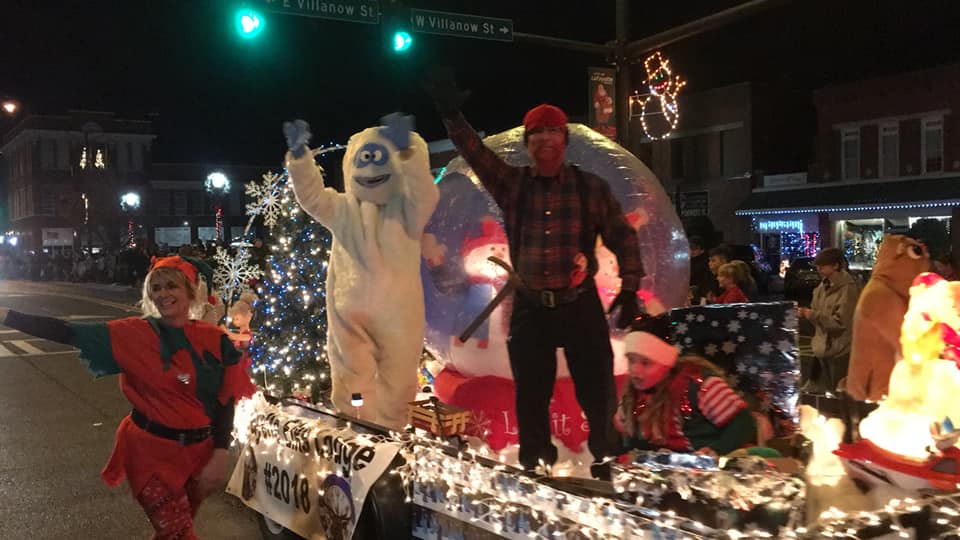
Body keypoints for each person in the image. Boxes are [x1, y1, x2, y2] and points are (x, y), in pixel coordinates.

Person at [425, 74, 644, 479]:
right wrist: (451, 115)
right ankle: (536, 465)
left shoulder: (589, 187)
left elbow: (621, 234)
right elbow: (475, 153)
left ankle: (608, 464)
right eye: (536, 133)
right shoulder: (513, 185)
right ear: (528, 143)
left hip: (579, 303)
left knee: (598, 392)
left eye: (552, 132)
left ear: (564, 139)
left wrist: (630, 285)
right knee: (531, 396)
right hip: (531, 307)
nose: (545, 139)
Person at [0, 255, 252, 539]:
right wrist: (6, 315)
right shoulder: (134, 333)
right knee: (178, 532)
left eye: (172, 286)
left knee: (174, 530)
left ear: (190, 292)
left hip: (198, 456)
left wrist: (219, 452)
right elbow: (66, 331)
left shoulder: (212, 338)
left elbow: (225, 397)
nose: (163, 294)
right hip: (150, 454)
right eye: (156, 288)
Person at [618, 315, 756, 457]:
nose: (635, 370)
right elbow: (634, 444)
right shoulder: (632, 397)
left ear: (665, 363)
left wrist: (716, 450)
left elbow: (744, 423)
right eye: (631, 360)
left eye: (645, 363)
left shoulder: (699, 385)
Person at [797, 247, 860, 393]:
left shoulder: (848, 289)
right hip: (822, 348)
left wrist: (812, 315)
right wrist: (808, 314)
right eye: (817, 266)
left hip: (840, 349)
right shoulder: (821, 287)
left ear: (836, 266)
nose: (818, 269)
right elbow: (818, 314)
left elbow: (841, 323)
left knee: (840, 393)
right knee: (828, 395)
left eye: (822, 265)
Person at [687, 236, 714, 305]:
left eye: (694, 248)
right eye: (689, 248)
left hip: (699, 297)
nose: (691, 251)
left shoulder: (704, 263)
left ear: (701, 249)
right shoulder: (690, 261)